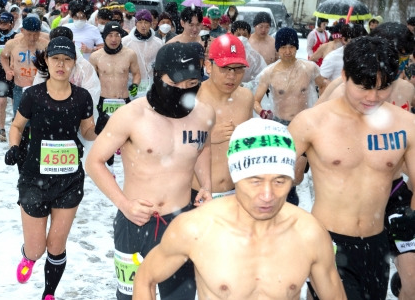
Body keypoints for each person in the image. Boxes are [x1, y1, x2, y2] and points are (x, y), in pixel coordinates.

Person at [133, 119, 346, 300]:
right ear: (236, 177)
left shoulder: (310, 234)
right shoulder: (197, 228)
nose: (267, 195)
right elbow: (145, 277)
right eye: (255, 181)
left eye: (279, 181)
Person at [288, 35, 415, 300]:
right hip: (328, 241)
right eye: (364, 86)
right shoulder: (311, 123)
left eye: (383, 88)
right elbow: (272, 178)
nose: (373, 96)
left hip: (376, 243)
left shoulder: (406, 125)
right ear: (345, 75)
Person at [85, 42, 215, 299]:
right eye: (175, 83)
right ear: (157, 76)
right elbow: (94, 161)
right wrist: (124, 204)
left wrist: (207, 185)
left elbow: (202, 146)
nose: (183, 90)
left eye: (191, 84)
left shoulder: (205, 114)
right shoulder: (130, 116)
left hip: (182, 222)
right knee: (132, 296)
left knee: (180, 296)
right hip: (136, 221)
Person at [4, 37, 97, 300]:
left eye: (67, 60)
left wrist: (99, 130)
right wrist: (13, 147)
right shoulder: (33, 95)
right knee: (37, 249)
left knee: (56, 246)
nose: (61, 64)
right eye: (56, 58)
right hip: (35, 178)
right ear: (46, 60)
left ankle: (49, 293)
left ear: (74, 64)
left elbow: (87, 131)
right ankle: (29, 257)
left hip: (68, 179)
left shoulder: (82, 97)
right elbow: (17, 126)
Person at [254, 28, 325, 205]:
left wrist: (318, 108)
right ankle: (285, 203)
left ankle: (290, 195)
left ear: (296, 47)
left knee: (297, 176)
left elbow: (325, 86)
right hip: (280, 125)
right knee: (281, 172)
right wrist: (263, 112)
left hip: (303, 126)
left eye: (291, 47)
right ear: (277, 49)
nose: (287, 51)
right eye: (283, 47)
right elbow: (255, 100)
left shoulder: (309, 68)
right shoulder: (269, 73)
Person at [191, 34, 254, 201]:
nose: (232, 76)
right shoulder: (193, 97)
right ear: (209, 66)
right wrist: (207, 138)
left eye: (238, 69)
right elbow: (169, 146)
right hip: (198, 194)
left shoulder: (246, 97)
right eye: (225, 68)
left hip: (236, 194)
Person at [89, 21, 141, 169]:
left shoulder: (129, 54)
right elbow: (91, 81)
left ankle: (128, 165)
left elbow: (137, 74)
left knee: (126, 135)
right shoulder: (95, 57)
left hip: (123, 100)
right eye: (110, 35)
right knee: (104, 135)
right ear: (104, 37)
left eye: (117, 35)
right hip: (104, 100)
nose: (114, 39)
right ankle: (106, 164)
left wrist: (135, 85)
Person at [122, 10, 163, 99]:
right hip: (132, 85)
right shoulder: (125, 42)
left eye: (146, 22)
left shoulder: (158, 43)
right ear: (136, 23)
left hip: (152, 86)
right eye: (140, 22)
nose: (143, 25)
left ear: (151, 24)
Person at [0, 12, 17, 142]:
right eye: (0, 22)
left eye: (5, 23)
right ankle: (1, 130)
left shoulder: (17, 36)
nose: (2, 25)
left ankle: (16, 128)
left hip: (14, 74)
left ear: (11, 23)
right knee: (1, 102)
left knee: (16, 102)